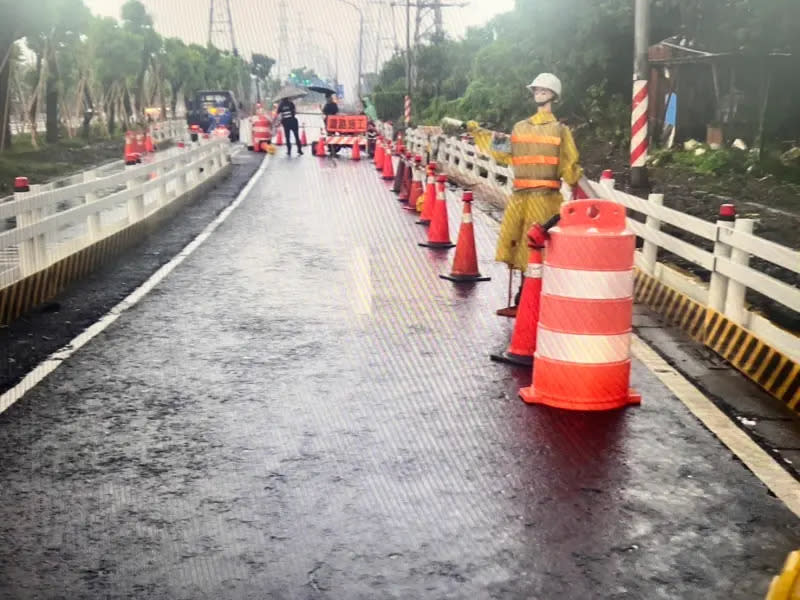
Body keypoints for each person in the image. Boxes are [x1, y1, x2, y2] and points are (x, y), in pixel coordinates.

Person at [467, 73, 583, 316]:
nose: (538, 92)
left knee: (538, 247)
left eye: (543, 89)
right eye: (536, 89)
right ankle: (524, 295)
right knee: (521, 243)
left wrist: (576, 182)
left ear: (553, 94)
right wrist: (479, 133)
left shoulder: (560, 131)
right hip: (521, 197)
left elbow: (569, 165)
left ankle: (536, 296)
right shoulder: (520, 127)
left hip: (545, 198)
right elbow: (503, 150)